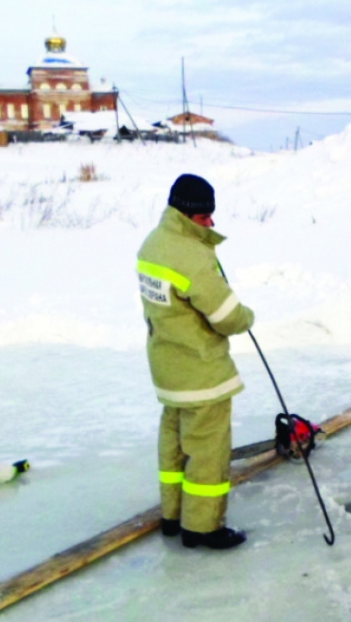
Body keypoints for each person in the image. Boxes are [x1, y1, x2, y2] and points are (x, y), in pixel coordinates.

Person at [137, 173, 255, 550]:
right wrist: (247, 316)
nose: (212, 223)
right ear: (187, 215)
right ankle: (202, 528)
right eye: (205, 217)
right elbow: (227, 317)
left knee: (173, 445)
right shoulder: (190, 256)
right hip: (202, 372)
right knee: (207, 452)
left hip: (168, 367)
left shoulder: (153, 244)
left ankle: (173, 516)